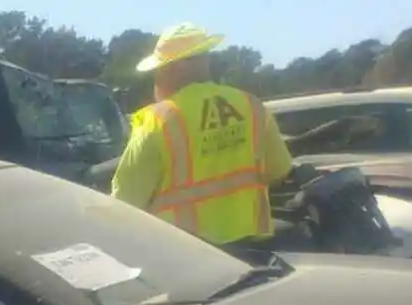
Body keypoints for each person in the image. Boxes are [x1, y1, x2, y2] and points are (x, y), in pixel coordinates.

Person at [110, 22, 294, 247]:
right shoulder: (251, 106)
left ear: (171, 69)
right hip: (254, 248)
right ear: (205, 62)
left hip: (187, 256)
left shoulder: (157, 121)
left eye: (158, 71)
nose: (156, 79)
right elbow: (279, 170)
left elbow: (126, 202)